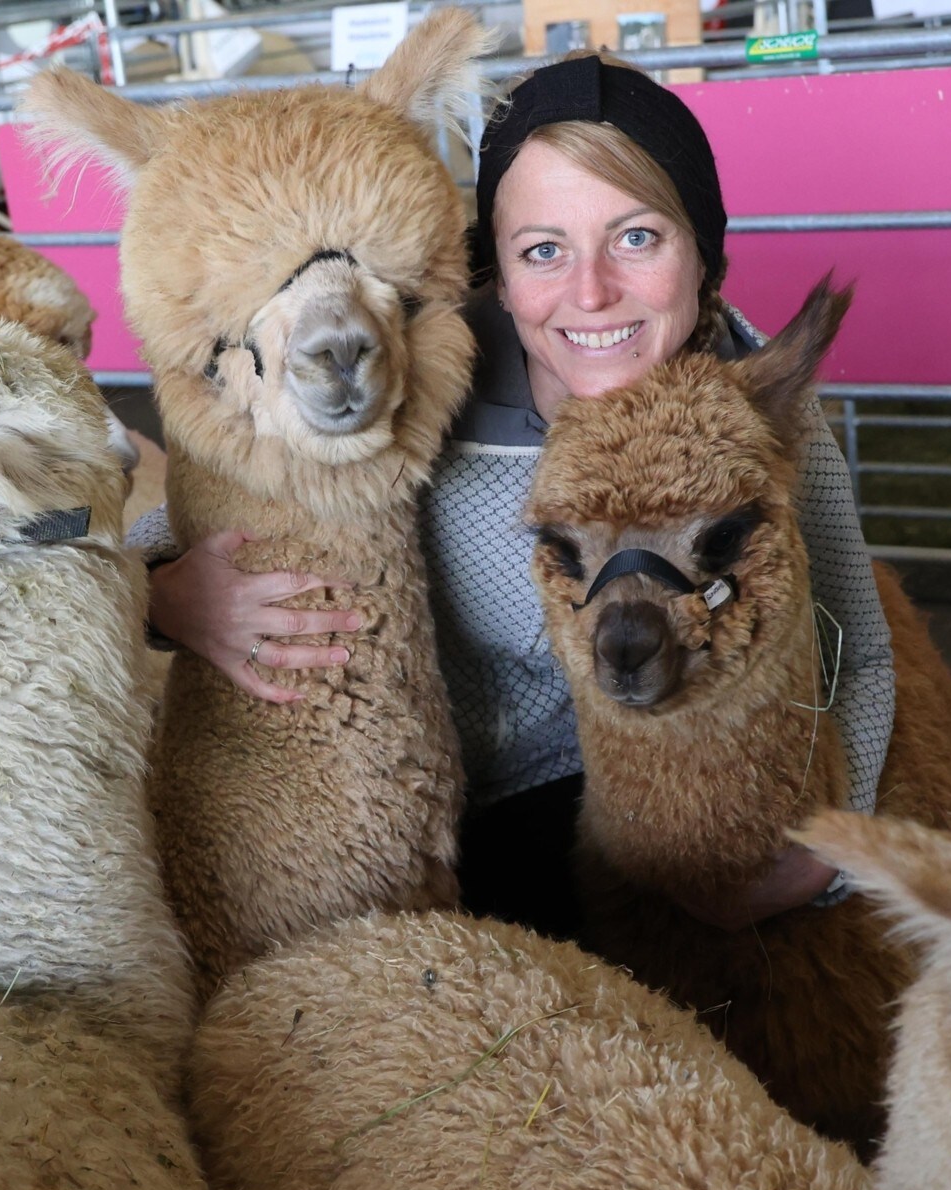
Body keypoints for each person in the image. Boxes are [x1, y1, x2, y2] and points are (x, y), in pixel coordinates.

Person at [138, 53, 896, 940]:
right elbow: (214, 515)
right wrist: (161, 591)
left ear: (703, 251)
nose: (591, 293)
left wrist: (830, 862)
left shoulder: (752, 404)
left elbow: (859, 645)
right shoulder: (416, 380)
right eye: (544, 250)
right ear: (493, 264)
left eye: (637, 237)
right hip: (431, 807)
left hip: (640, 788)